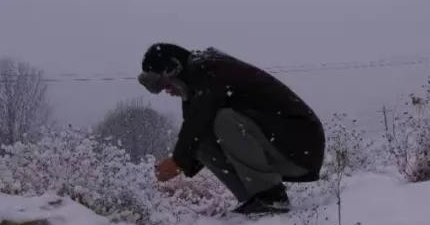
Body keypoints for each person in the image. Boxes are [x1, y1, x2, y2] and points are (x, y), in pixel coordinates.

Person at [138, 43, 325, 215]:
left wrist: (177, 161)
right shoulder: (196, 86)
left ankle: (271, 198)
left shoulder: (210, 69)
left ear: (174, 69)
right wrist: (181, 162)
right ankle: (255, 201)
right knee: (198, 143)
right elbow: (193, 133)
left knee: (224, 120)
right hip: (279, 146)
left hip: (300, 145)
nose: (167, 91)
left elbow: (199, 119)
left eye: (166, 85)